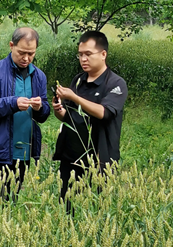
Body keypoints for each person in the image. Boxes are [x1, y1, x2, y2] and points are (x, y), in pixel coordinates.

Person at [0, 27, 51, 201]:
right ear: (11, 45)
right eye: (22, 52)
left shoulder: (39, 76)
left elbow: (44, 114)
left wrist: (40, 108)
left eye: (31, 54)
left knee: (12, 201)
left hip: (23, 152)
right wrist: (12, 103)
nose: (26, 58)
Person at [53, 30, 127, 202]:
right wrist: (58, 110)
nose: (83, 59)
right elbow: (69, 117)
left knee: (95, 210)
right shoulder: (78, 80)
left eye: (88, 54)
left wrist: (74, 97)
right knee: (67, 209)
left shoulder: (116, 83)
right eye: (80, 55)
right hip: (71, 159)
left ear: (103, 54)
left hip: (100, 160)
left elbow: (104, 112)